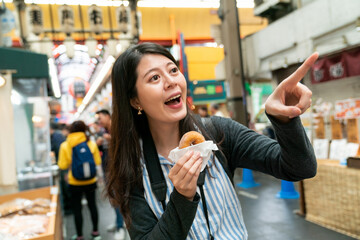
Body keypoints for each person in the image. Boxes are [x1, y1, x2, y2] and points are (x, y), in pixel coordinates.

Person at [106, 42, 318, 239]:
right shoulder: (132, 167)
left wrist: (284, 119)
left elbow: (300, 168)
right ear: (135, 100)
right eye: (154, 78)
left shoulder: (218, 133)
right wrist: (182, 197)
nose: (171, 81)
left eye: (173, 70)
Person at [58, 120, 102, 240]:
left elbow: (62, 165)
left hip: (74, 182)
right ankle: (96, 232)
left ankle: (80, 235)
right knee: (92, 205)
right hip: (91, 181)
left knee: (77, 209)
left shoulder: (65, 145)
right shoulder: (91, 143)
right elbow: (98, 161)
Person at [96, 109, 126, 240]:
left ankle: (120, 226)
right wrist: (99, 145)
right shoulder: (103, 131)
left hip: (117, 169)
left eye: (100, 117)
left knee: (117, 196)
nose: (99, 121)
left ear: (108, 116)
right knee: (112, 197)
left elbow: (124, 145)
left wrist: (112, 139)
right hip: (107, 168)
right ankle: (119, 222)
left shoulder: (116, 129)